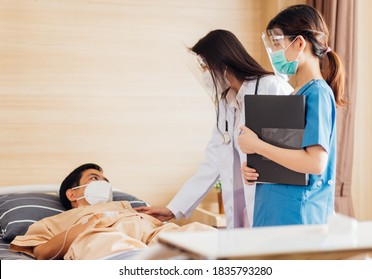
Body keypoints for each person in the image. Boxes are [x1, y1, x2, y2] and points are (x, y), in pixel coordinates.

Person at [135, 30, 293, 228]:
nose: (204, 74)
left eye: (204, 67)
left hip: (272, 203)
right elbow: (212, 162)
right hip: (241, 205)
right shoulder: (226, 104)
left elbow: (294, 150)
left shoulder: (271, 88)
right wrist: (173, 209)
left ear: (223, 63)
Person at [238, 4, 345, 227]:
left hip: (298, 216)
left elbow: (315, 163)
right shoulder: (295, 94)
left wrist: (257, 146)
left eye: (277, 43)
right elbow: (286, 155)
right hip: (274, 211)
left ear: (299, 43)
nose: (274, 53)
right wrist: (257, 169)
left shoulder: (318, 94)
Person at [9, 163, 215, 260]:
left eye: (105, 181)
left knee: (196, 232)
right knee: (102, 240)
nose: (103, 184)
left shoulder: (127, 208)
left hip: (154, 234)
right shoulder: (54, 221)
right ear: (72, 194)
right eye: (94, 178)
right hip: (99, 236)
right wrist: (88, 224)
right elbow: (42, 252)